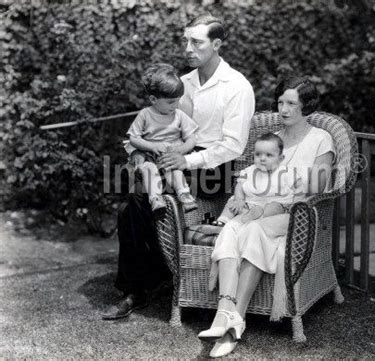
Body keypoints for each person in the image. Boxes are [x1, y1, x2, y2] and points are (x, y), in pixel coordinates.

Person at [102, 13, 255, 320]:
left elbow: (233, 145)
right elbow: (156, 127)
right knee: (131, 204)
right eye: (185, 40)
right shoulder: (181, 84)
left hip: (213, 167)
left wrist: (187, 160)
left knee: (135, 202)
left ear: (216, 44)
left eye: (196, 42)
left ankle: (140, 286)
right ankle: (145, 283)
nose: (187, 48)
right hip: (174, 159)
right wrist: (138, 149)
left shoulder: (237, 86)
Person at [198, 76, 335, 358]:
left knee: (251, 230)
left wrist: (290, 183)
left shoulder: (321, 138)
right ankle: (228, 314)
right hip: (262, 212)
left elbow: (320, 186)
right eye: (280, 102)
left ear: (306, 106)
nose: (283, 109)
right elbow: (253, 179)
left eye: (292, 103)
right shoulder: (273, 142)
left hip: (298, 216)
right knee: (234, 229)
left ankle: (235, 318)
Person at [125, 63, 198, 213]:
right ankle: (156, 200)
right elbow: (133, 138)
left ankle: (184, 195)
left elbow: (191, 139)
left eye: (177, 100)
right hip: (151, 157)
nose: (175, 105)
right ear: (153, 99)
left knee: (175, 171)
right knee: (149, 170)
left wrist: (181, 149)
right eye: (170, 102)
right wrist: (152, 146)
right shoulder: (145, 114)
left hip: (171, 157)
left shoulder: (179, 115)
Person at [211, 132, 300, 227]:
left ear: (280, 158)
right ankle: (222, 222)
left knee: (274, 207)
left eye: (269, 155)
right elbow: (240, 185)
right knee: (232, 203)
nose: (262, 159)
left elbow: (299, 185)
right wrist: (239, 200)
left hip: (275, 205)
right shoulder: (248, 171)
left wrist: (298, 199)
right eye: (258, 154)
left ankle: (258, 219)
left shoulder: (286, 172)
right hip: (250, 205)